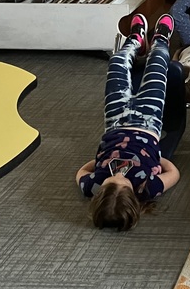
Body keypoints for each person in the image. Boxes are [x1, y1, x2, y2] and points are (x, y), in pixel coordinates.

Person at [76, 14, 181, 231]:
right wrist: (157, 159)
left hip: (115, 121)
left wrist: (98, 163)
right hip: (148, 121)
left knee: (116, 62)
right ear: (133, 195)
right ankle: (161, 38)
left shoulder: (92, 185)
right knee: (158, 62)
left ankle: (136, 40)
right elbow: (174, 174)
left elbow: (80, 173)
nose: (116, 175)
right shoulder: (147, 188)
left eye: (109, 182)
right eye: (121, 182)